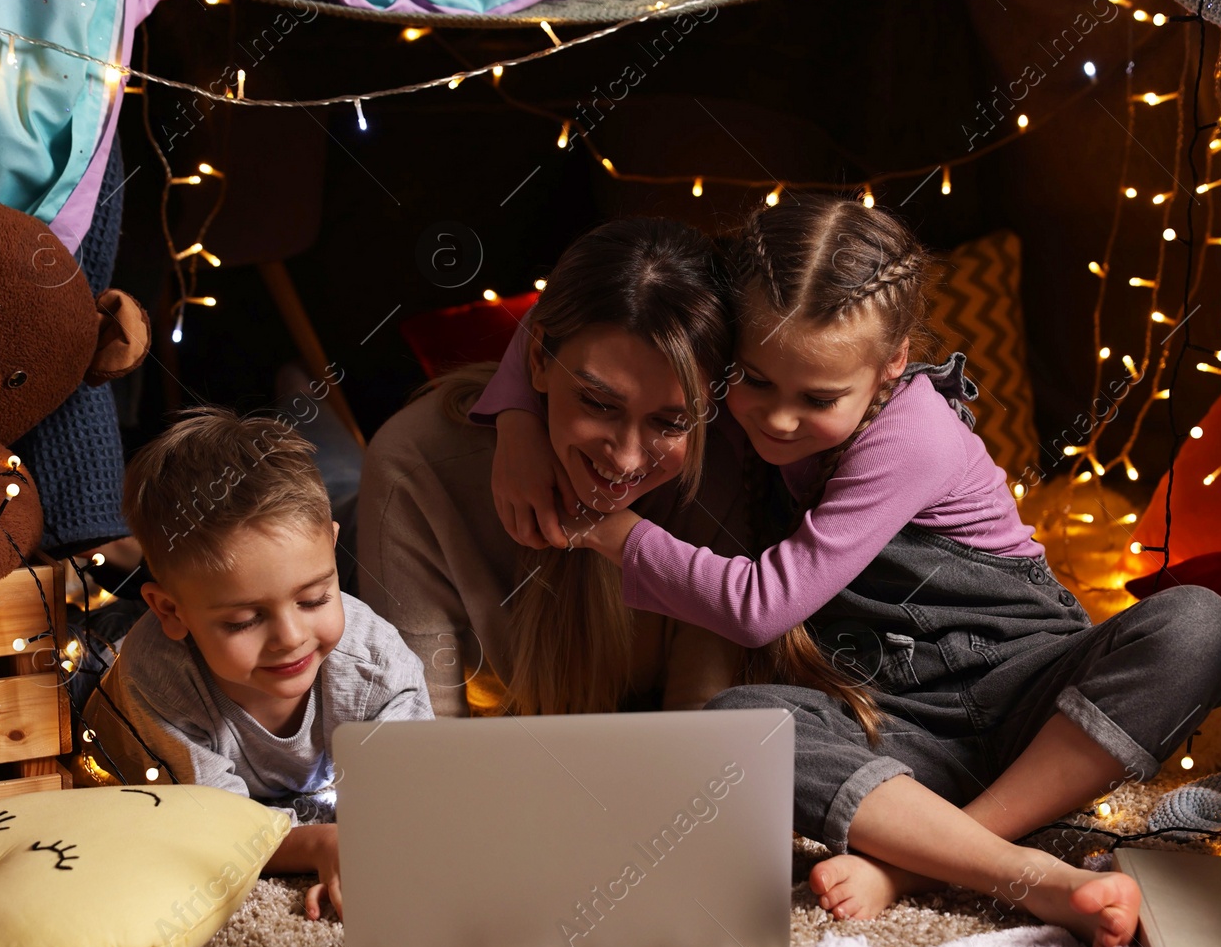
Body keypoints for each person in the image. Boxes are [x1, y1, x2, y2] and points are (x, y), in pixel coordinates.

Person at [483, 194, 1221, 947]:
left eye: (818, 398)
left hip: (1034, 699)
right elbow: (601, 301)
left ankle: (956, 864)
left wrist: (613, 531)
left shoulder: (915, 432)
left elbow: (761, 607)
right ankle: (959, 846)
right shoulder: (743, 401)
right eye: (753, 381)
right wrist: (517, 420)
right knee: (738, 723)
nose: (778, 419)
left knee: (1201, 624)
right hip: (897, 730)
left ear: (892, 366)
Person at [355, 216, 871, 720]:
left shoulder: (728, 455)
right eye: (598, 403)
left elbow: (704, 730)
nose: (624, 458)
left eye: (670, 422)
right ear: (536, 359)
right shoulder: (415, 464)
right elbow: (417, 746)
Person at [84, 407, 433, 923]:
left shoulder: (376, 666)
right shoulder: (156, 680)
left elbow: (414, 802)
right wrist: (317, 846)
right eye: (245, 621)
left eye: (314, 599)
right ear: (170, 611)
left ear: (334, 550)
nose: (291, 639)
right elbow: (213, 833)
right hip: (108, 683)